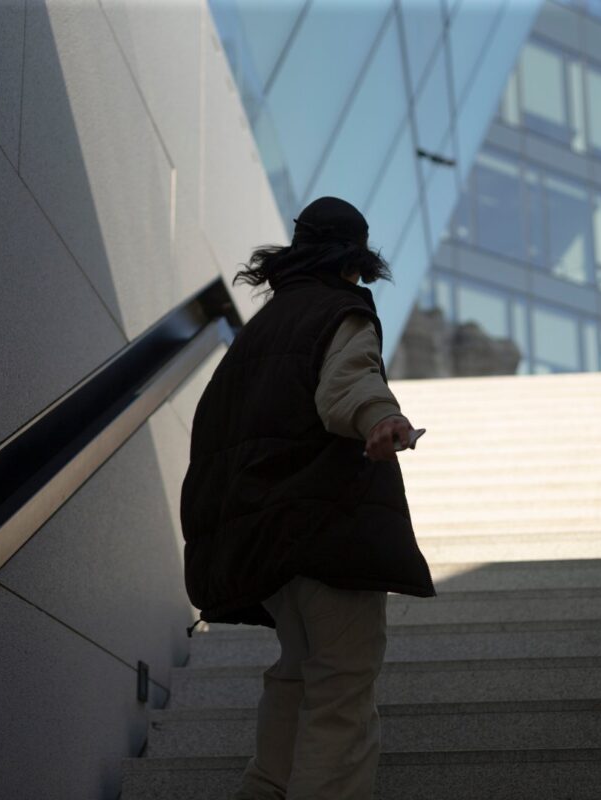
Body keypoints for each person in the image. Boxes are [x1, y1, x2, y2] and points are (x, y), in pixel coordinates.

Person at [180, 196, 436, 799]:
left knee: (295, 671)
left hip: (264, 542)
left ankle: (268, 786)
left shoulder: (254, 336)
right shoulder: (340, 312)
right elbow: (349, 382)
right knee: (342, 683)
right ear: (353, 261)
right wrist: (382, 418)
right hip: (327, 531)